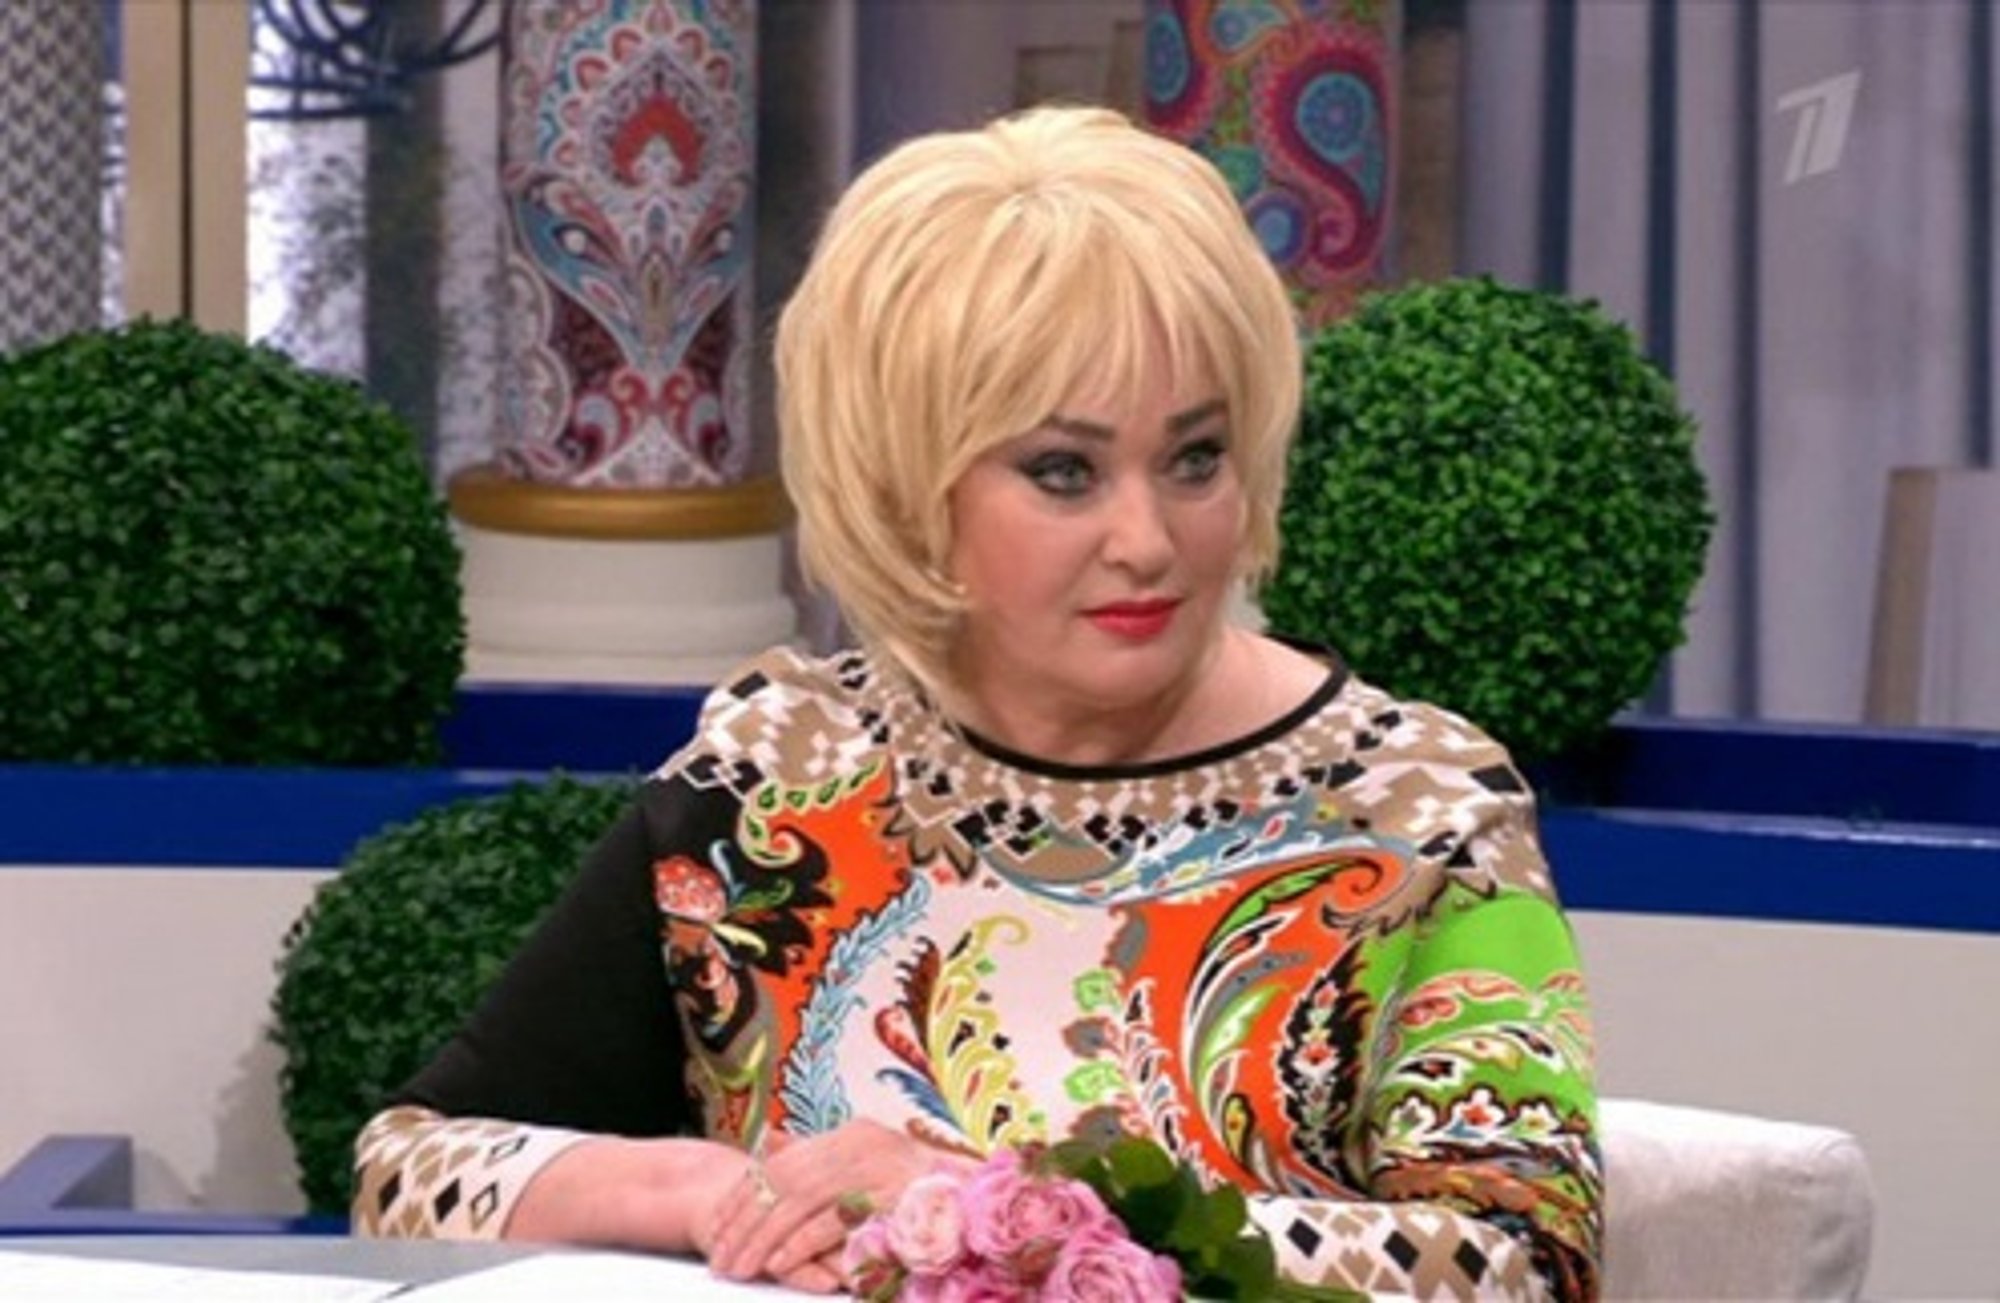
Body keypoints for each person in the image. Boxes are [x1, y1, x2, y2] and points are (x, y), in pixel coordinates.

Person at [353, 105, 1602, 1301]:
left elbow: (1523, 1267)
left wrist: (1016, 1213)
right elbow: (408, 1175)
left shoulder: (1415, 809)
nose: (1147, 539)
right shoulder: (779, 771)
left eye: (1194, 458)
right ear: (907, 485)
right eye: (1063, 470)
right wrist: (700, 1187)